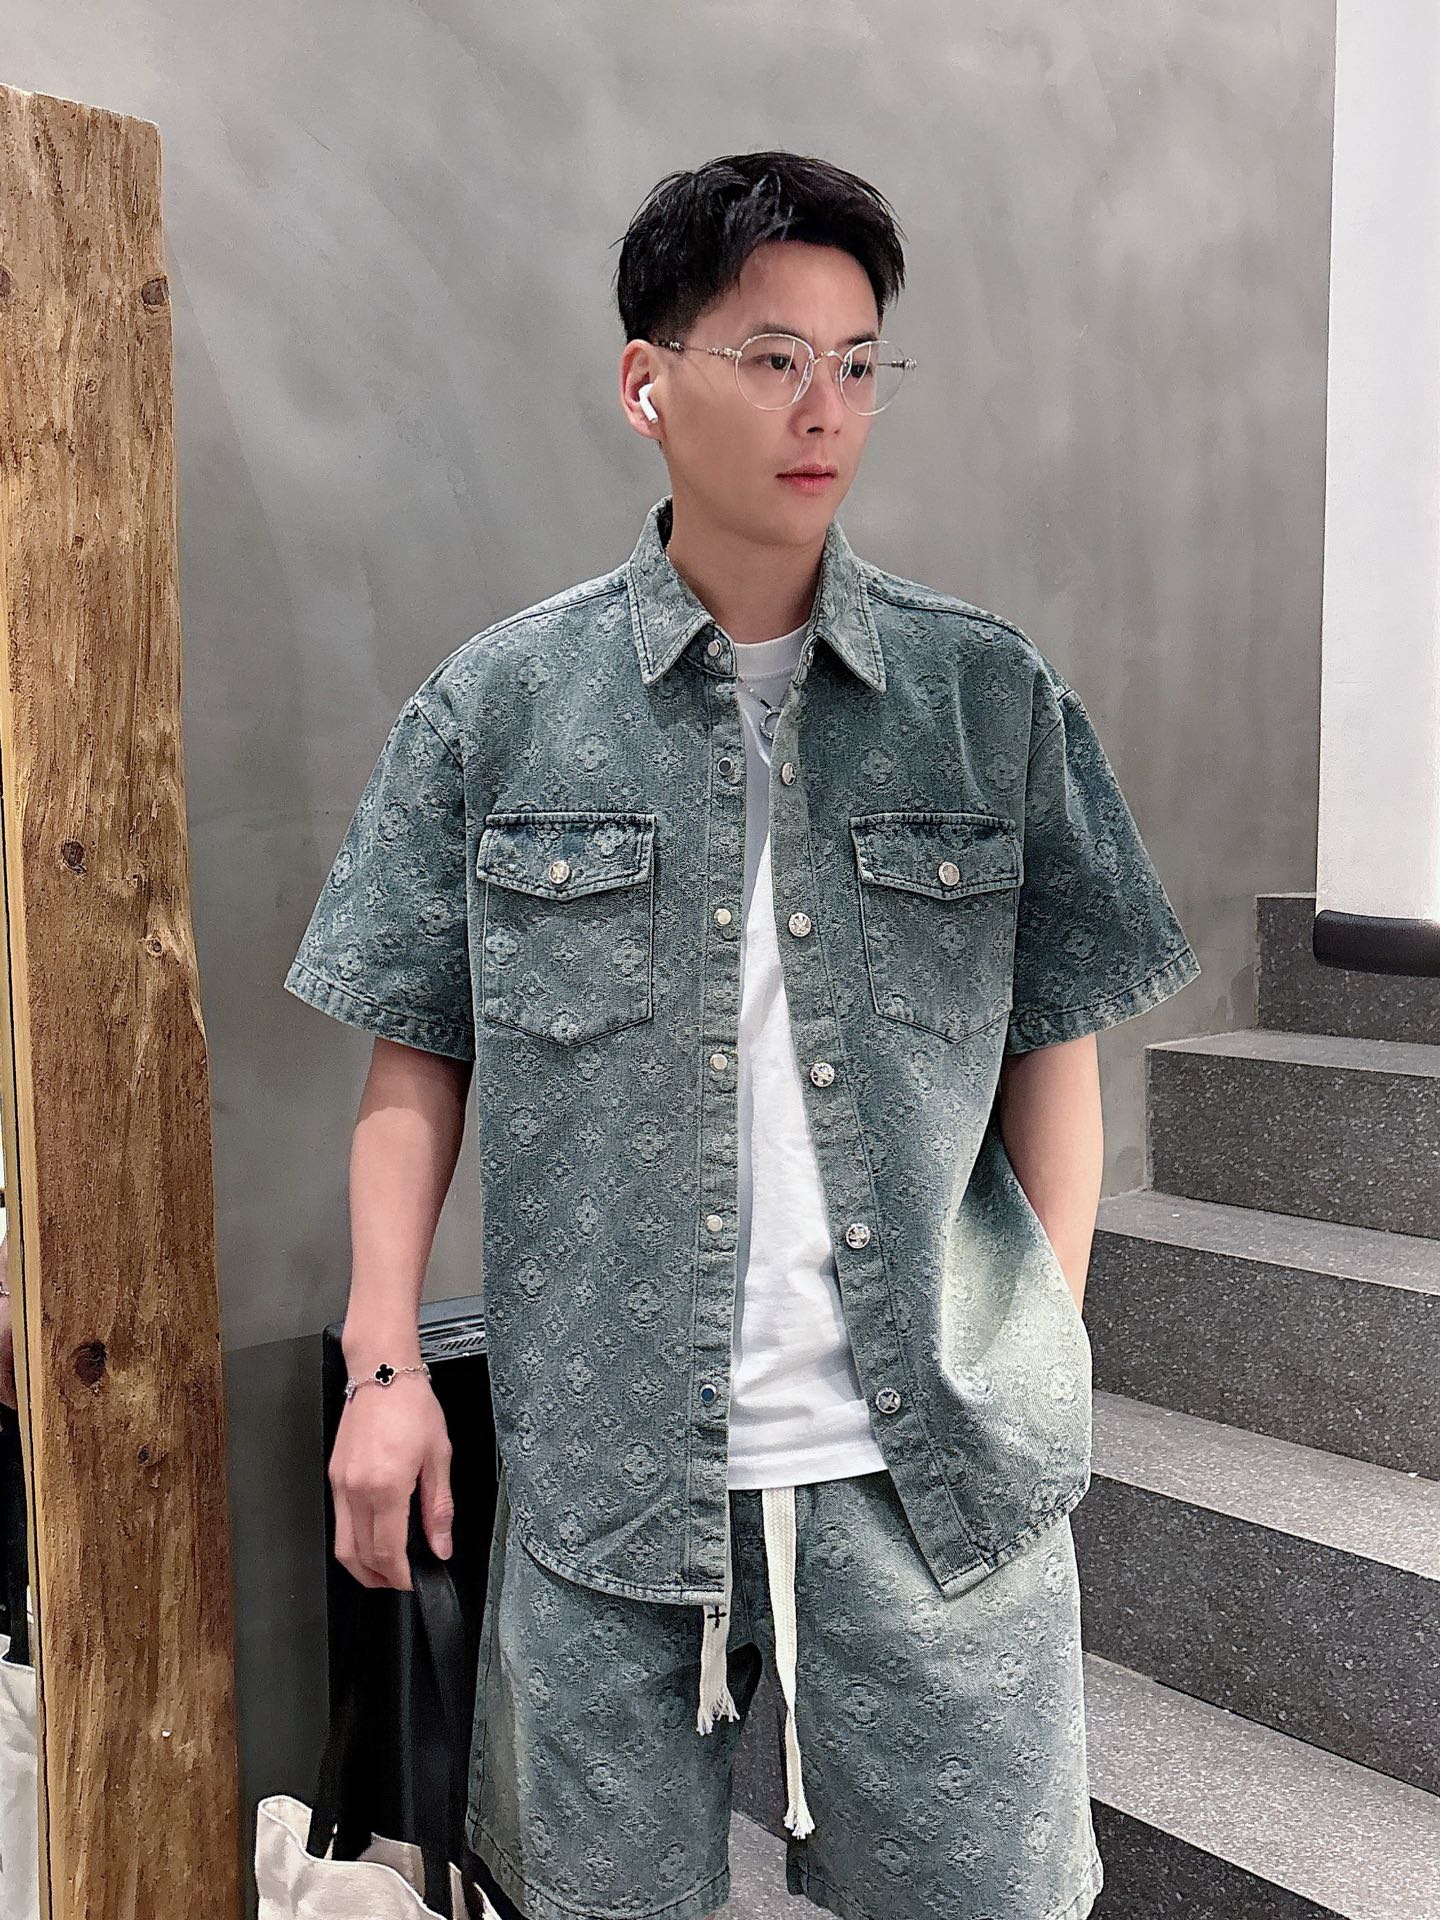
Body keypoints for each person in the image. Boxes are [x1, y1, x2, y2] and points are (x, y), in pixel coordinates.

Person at [285, 150, 1201, 1920]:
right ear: (649, 382)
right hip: (609, 1480)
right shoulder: (499, 707)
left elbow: (1054, 1053)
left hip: (929, 1486)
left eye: (856, 364)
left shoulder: (986, 696)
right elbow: (414, 1062)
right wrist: (383, 1367)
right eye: (773, 357)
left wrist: (1040, 1340)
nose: (824, 407)